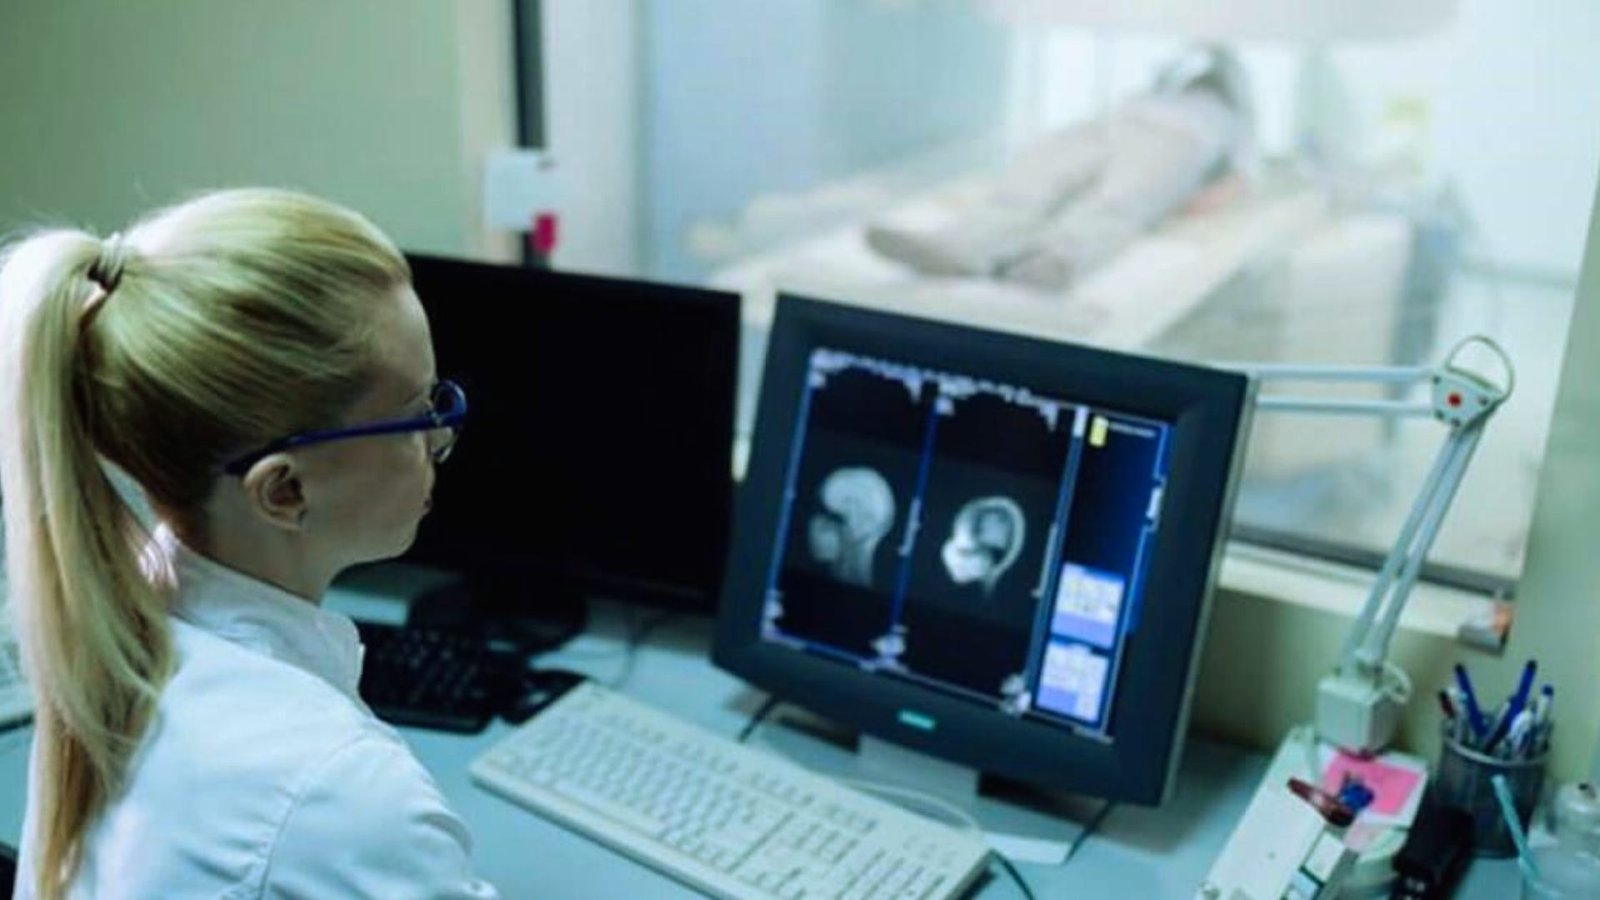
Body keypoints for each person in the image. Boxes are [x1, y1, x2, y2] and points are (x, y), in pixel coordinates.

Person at [0, 188, 497, 899]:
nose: (440, 436)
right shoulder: (343, 797)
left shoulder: (116, 634)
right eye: (415, 413)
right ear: (284, 490)